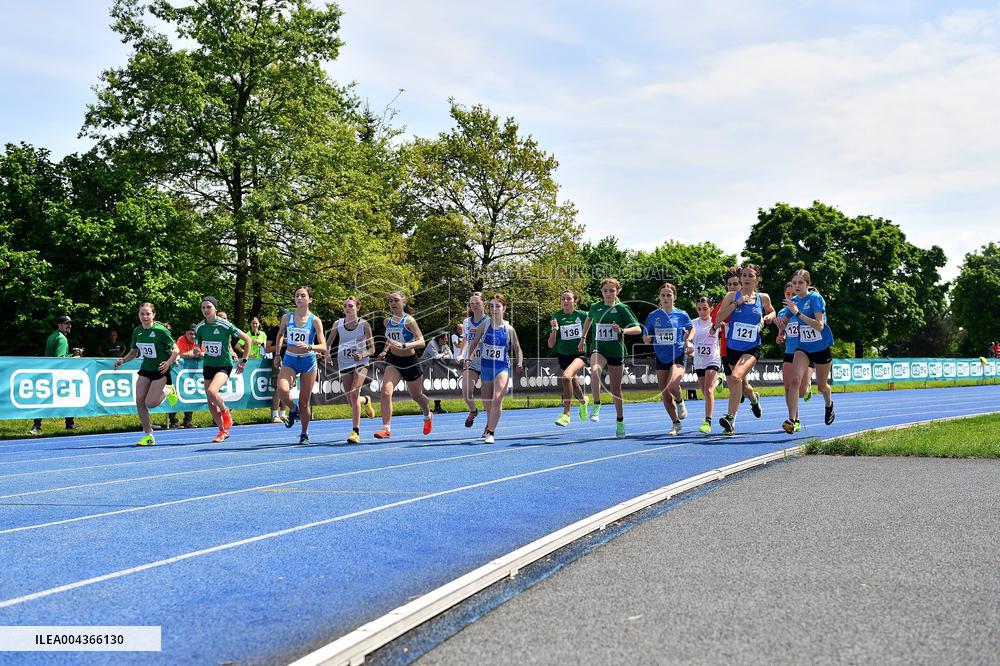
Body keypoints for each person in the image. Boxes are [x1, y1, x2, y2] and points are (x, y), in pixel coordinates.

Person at [713, 264, 775, 436]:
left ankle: (730, 418)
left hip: (752, 347)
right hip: (733, 348)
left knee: (735, 378)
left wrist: (769, 317)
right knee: (743, 385)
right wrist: (737, 303)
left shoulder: (763, 298)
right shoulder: (732, 296)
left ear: (757, 279)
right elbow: (718, 319)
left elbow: (772, 311)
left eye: (750, 275)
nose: (746, 278)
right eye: (744, 275)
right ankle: (754, 399)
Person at [579, 277, 642, 438]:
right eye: (605, 290)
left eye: (611, 290)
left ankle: (620, 420)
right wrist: (583, 338)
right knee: (594, 371)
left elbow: (637, 329)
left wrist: (622, 330)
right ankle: (597, 404)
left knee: (616, 389)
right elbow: (588, 319)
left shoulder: (622, 308)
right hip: (598, 349)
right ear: (601, 292)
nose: (608, 294)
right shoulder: (595, 307)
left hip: (616, 351)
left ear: (617, 291)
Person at [113, 303, 180, 446]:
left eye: (148, 314)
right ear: (138, 315)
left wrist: (168, 362)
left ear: (153, 315)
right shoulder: (137, 331)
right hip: (146, 369)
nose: (145, 317)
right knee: (139, 401)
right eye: (142, 314)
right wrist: (123, 361)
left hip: (160, 370)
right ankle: (149, 435)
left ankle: (168, 390)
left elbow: (176, 349)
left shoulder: (161, 331)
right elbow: (133, 353)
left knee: (150, 403)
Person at [464, 293, 524, 444]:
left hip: (501, 367)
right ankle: (489, 425)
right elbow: (474, 343)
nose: (494, 309)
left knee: (497, 399)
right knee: (487, 402)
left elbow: (518, 349)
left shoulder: (509, 329)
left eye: (498, 306)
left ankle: (491, 432)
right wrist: (468, 358)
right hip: (486, 367)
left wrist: (520, 363)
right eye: (491, 306)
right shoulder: (484, 325)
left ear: (504, 308)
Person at [374, 291, 433, 439]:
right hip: (394, 361)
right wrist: (385, 351)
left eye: (396, 300)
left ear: (404, 303)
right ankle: (386, 428)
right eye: (390, 301)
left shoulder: (409, 321)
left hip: (410, 361)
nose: (393, 303)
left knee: (417, 396)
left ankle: (427, 414)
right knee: (386, 392)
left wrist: (405, 345)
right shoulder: (387, 321)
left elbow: (421, 341)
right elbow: (390, 339)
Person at [274, 286, 326, 445]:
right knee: (282, 390)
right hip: (290, 359)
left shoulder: (315, 320)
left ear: (309, 299)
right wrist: (277, 354)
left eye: (303, 296)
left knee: (304, 402)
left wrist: (310, 347)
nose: (299, 298)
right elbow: (280, 334)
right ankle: (293, 409)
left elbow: (323, 346)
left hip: (308, 361)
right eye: (297, 295)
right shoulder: (287, 317)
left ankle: (304, 434)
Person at [195, 296, 251, 443]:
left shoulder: (225, 325)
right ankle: (222, 431)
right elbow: (198, 347)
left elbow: (247, 339)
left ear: (215, 309)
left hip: (223, 365)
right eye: (203, 308)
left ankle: (225, 411)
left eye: (209, 307)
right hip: (208, 365)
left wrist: (243, 360)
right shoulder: (200, 327)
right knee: (210, 402)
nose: (206, 310)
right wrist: (197, 351)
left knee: (212, 391)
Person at [786, 269, 836, 429]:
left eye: (800, 282)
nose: (797, 285)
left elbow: (820, 326)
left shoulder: (815, 298)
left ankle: (829, 404)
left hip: (821, 347)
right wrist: (779, 325)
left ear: (808, 284)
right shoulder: (793, 301)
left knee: (822, 386)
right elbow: (785, 320)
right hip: (803, 348)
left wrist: (798, 314)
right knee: (794, 380)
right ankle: (792, 420)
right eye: (794, 283)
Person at [642, 283, 693, 436]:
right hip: (661, 356)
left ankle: (680, 401)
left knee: (673, 385)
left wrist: (689, 340)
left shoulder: (681, 314)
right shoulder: (653, 316)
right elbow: (646, 334)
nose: (665, 298)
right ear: (659, 297)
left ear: (674, 297)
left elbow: (691, 327)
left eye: (668, 295)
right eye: (663, 295)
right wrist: (646, 338)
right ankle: (675, 423)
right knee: (665, 393)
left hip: (677, 354)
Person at [325, 296, 376, 444]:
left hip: (361, 362)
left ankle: (356, 431)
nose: (347, 309)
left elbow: (372, 349)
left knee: (354, 392)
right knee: (351, 399)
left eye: (351, 306)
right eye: (345, 306)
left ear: (357, 308)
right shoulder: (338, 323)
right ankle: (366, 400)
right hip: (344, 362)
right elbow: (327, 344)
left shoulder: (364, 325)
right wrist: (327, 355)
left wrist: (362, 354)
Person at [712, 267, 759, 406]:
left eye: (735, 284)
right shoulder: (726, 302)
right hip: (728, 350)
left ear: (741, 283)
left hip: (746, 348)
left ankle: (751, 403)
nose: (732, 287)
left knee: (740, 385)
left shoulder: (752, 300)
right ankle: (752, 402)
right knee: (738, 387)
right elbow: (715, 319)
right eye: (729, 284)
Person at [30, 315, 83, 435]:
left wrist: (71, 354)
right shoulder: (62, 338)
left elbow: (56, 356)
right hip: (58, 374)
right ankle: (40, 426)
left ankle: (38, 425)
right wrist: (75, 357)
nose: (69, 326)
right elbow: (60, 359)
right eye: (66, 323)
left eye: (70, 323)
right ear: (59, 325)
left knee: (44, 400)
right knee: (68, 398)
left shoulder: (52, 336)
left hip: (49, 371)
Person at [547, 290, 590, 427]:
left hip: (579, 353)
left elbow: (595, 324)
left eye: (568, 299)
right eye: (563, 299)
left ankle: (566, 414)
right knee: (574, 382)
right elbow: (551, 344)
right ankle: (583, 401)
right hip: (563, 354)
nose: (565, 301)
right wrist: (554, 330)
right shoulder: (556, 316)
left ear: (575, 301)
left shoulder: (583, 315)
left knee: (566, 377)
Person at [775, 282, 813, 434]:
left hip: (807, 352)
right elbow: (781, 335)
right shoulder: (782, 313)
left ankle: (808, 385)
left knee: (801, 391)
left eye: (793, 294)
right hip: (790, 351)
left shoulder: (804, 310)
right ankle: (794, 420)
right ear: (785, 296)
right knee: (788, 386)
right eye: (788, 294)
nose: (791, 297)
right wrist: (780, 336)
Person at [690, 296, 723, 434]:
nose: (702, 312)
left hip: (713, 360)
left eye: (705, 308)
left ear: (710, 308)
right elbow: (688, 338)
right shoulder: (693, 323)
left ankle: (707, 422)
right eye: (699, 309)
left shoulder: (716, 322)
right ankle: (720, 381)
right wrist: (688, 346)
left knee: (708, 391)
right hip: (699, 361)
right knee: (705, 391)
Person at [458, 293, 488, 428]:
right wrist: (462, 354)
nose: (474, 305)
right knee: (466, 391)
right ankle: (473, 410)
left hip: (488, 361)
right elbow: (465, 340)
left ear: (484, 303)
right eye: (472, 303)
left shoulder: (490, 321)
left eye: (477, 302)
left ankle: (489, 427)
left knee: (488, 397)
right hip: (472, 361)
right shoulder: (466, 322)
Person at [171, 323, 200, 428]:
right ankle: (173, 420)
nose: (193, 336)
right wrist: (192, 353)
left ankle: (187, 420)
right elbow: (180, 354)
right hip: (178, 372)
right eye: (190, 334)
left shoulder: (199, 339)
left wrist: (198, 354)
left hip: (192, 373)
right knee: (175, 395)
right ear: (186, 333)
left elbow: (204, 353)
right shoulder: (181, 340)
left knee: (190, 395)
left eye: (194, 334)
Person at [266, 309, 290, 423]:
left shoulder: (291, 330)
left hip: (290, 361)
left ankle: (283, 414)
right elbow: (267, 348)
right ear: (279, 318)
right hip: (278, 360)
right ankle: (275, 414)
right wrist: (281, 345)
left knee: (287, 388)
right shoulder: (273, 331)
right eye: (283, 317)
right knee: (277, 388)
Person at [421, 332, 454, 415]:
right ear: (440, 339)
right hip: (426, 366)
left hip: (436, 366)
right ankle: (424, 408)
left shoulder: (444, 344)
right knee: (427, 388)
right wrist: (443, 354)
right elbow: (435, 357)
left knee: (437, 386)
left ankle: (437, 407)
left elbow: (451, 356)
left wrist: (443, 355)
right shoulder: (431, 344)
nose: (446, 341)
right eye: (445, 339)